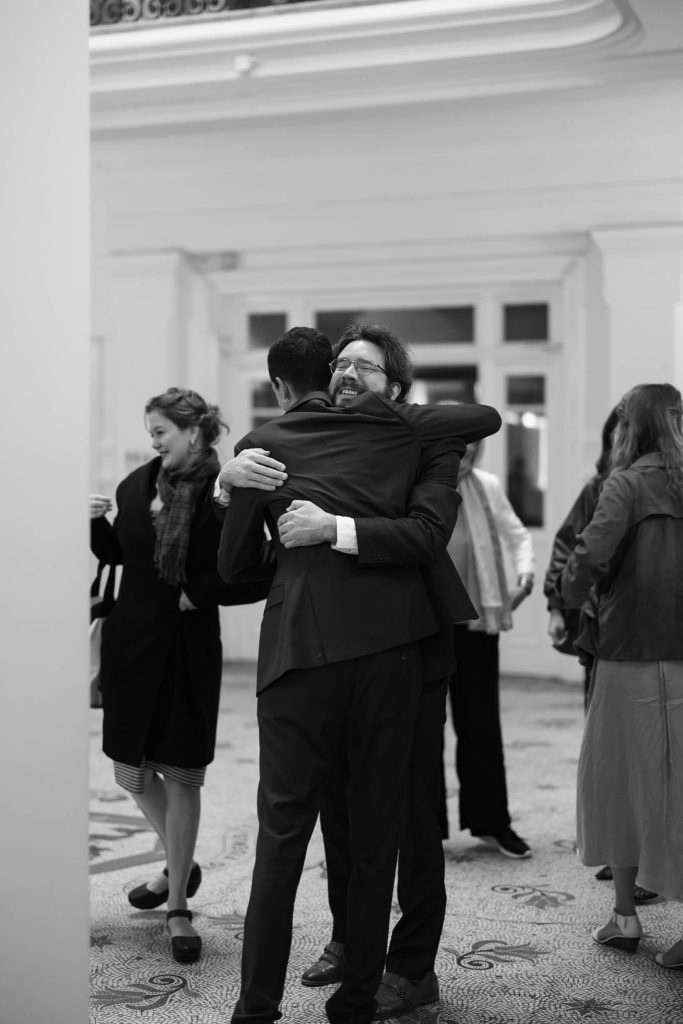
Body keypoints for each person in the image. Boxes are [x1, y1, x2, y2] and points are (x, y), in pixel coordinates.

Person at [217, 326, 501, 1024]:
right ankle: (323, 967)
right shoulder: (290, 440)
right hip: (313, 648)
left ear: (397, 387)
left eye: (364, 368)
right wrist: (230, 483)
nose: (345, 375)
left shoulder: (419, 440)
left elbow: (427, 529)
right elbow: (238, 563)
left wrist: (332, 527)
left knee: (401, 818)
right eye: (339, 364)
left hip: (406, 646)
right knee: (329, 823)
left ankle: (402, 971)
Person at [89, 387, 269, 964]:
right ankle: (179, 865)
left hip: (187, 650)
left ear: (193, 433)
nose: (154, 442)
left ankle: (178, 909)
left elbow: (257, 570)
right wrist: (95, 527)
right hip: (130, 646)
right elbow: (122, 556)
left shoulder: (228, 493)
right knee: (130, 770)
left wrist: (199, 593)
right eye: (150, 433)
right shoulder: (135, 486)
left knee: (183, 774)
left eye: (161, 432)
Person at [560, 383, 683, 966]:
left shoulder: (626, 482)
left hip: (628, 652)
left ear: (631, 426)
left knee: (623, 786)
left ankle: (626, 918)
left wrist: (575, 597)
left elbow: (586, 558)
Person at [444, 436, 535, 858]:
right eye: (460, 452)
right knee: (419, 732)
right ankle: (421, 829)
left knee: (481, 724)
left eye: (474, 452)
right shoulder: (413, 482)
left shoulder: (487, 485)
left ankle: (491, 822)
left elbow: (516, 534)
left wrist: (525, 572)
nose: (468, 459)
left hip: (477, 622)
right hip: (424, 625)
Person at [544, 407, 619, 705]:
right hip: (598, 619)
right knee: (598, 705)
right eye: (614, 440)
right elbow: (568, 546)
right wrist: (556, 607)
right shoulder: (597, 488)